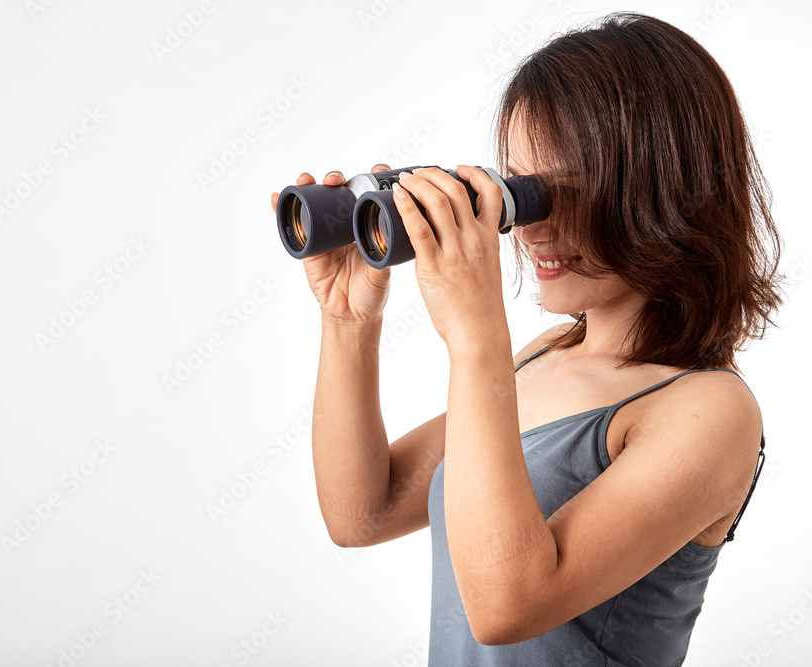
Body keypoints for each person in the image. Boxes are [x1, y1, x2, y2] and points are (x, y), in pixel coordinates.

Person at [269, 11, 781, 665]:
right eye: (522, 191)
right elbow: (364, 512)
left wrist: (475, 333)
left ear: (663, 191)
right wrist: (348, 321)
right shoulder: (545, 357)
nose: (531, 229)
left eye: (570, 190)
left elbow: (507, 606)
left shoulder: (709, 411)